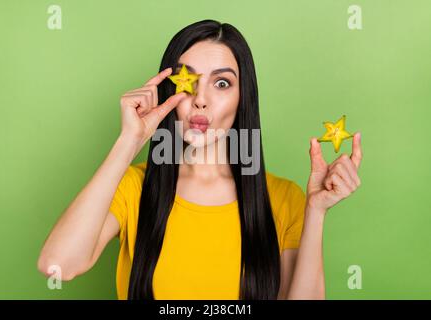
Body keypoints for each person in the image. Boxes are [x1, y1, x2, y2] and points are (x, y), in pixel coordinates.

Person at [37, 19, 363, 300]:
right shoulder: (134, 187)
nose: (201, 101)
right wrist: (129, 141)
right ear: (169, 92)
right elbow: (58, 265)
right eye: (188, 82)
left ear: (242, 97)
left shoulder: (283, 199)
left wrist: (316, 211)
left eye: (222, 83)